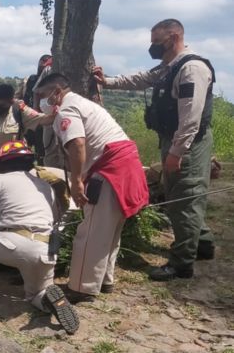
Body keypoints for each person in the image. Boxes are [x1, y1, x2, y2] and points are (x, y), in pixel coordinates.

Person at [92, 18, 216, 281]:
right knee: (183, 195)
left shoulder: (191, 69)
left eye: (156, 42)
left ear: (173, 38)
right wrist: (107, 81)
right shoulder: (169, 67)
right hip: (171, 139)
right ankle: (202, 245)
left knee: (185, 198)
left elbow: (191, 117)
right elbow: (142, 79)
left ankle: (182, 264)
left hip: (187, 142)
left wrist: (177, 152)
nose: (153, 47)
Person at [35, 73, 148, 302]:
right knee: (109, 229)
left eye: (43, 95)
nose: (40, 101)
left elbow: (77, 144)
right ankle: (104, 280)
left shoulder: (67, 109)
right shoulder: (81, 103)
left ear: (57, 92)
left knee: (92, 230)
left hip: (109, 169)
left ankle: (82, 287)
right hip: (124, 164)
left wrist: (76, 181)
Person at [0, 141, 80, 334]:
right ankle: (49, 299)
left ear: (2, 164)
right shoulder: (45, 186)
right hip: (46, 250)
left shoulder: (0, 181)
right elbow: (53, 221)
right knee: (35, 294)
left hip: (14, 247)